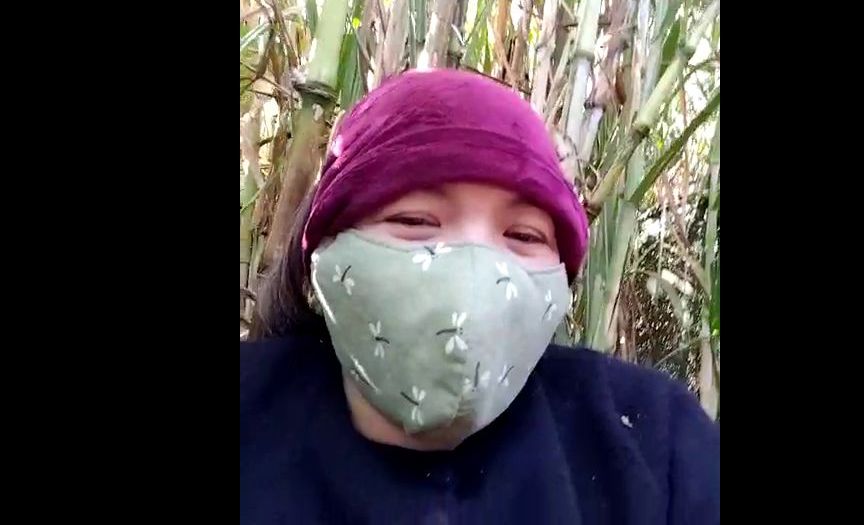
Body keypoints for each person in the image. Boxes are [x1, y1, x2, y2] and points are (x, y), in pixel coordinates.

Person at [240, 68, 720, 524]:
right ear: (326, 251)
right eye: (414, 221)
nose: (473, 268)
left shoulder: (656, 442)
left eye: (524, 236)